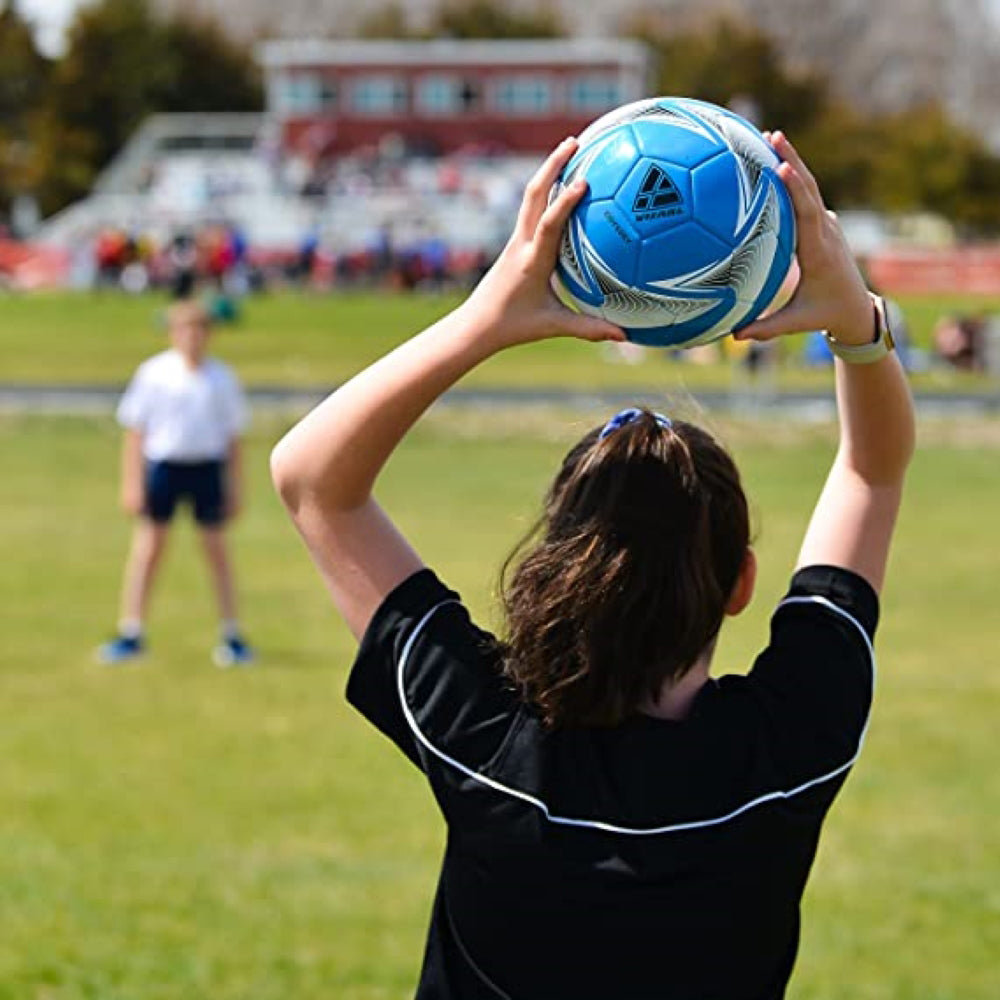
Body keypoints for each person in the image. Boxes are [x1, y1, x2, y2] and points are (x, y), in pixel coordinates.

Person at [270, 133, 914, 998]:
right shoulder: (792, 743)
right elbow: (872, 470)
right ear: (740, 586)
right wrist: (859, 327)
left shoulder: (490, 743)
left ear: (555, 569)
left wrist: (485, 317)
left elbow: (314, 482)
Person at [97, 299, 254, 668]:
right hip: (164, 468)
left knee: (216, 552)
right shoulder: (154, 374)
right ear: (173, 334)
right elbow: (135, 431)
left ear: (209, 335)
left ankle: (231, 634)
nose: (192, 338)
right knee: (149, 549)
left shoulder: (221, 378)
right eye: (185, 330)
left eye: (199, 330)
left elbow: (233, 437)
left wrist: (234, 486)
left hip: (206, 469)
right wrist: (132, 483)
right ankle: (132, 631)